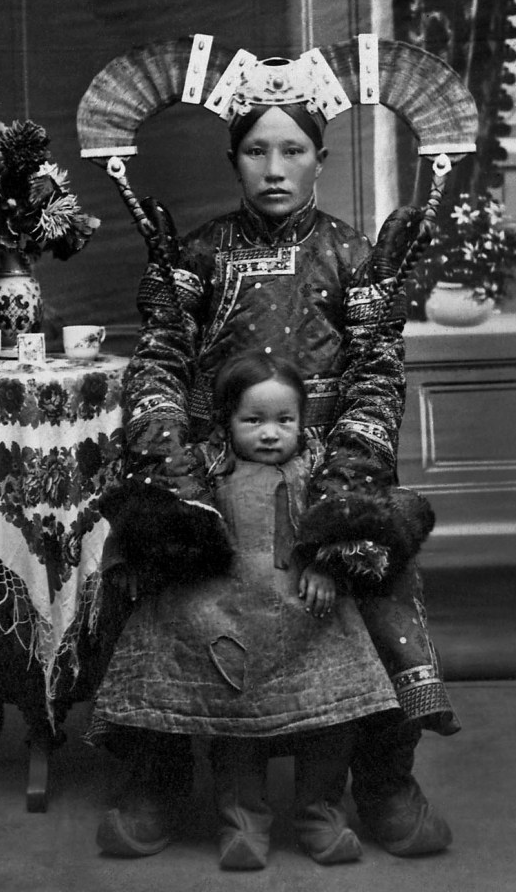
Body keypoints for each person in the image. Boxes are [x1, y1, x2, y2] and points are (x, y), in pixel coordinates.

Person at [92, 52, 459, 862]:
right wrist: (182, 485)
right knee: (145, 575)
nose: (275, 168)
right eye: (257, 150)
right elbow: (156, 364)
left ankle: (385, 781)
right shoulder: (196, 257)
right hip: (214, 470)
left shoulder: (355, 258)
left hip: (327, 467)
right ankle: (155, 773)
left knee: (382, 578)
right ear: (233, 160)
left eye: (293, 150)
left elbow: (376, 377)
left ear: (321, 159)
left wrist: (338, 501)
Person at [93, 348, 402, 869]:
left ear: (303, 423)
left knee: (332, 717)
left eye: (285, 421)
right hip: (231, 616)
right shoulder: (208, 472)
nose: (269, 433)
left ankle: (320, 815)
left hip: (312, 617)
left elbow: (354, 525)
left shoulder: (319, 473)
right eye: (252, 420)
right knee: (234, 723)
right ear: (226, 421)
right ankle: (243, 824)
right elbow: (159, 518)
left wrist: (328, 563)